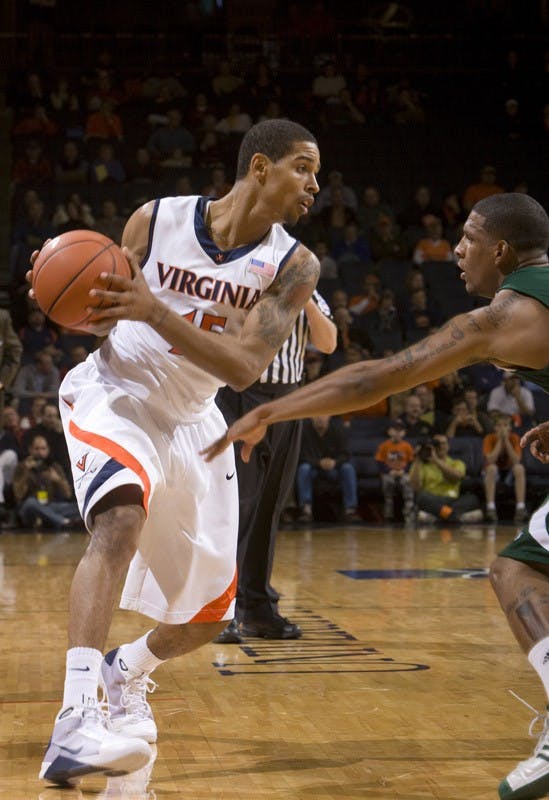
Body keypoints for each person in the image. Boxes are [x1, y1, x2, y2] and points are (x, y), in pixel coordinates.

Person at [201, 192, 549, 800]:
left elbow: (375, 378)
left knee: (518, 572)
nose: (456, 250)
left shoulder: (503, 317)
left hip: (269, 398)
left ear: (501, 251)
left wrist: (274, 411)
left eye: (467, 238)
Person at [30, 118, 322, 785]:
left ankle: (125, 670)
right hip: (118, 391)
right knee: (120, 519)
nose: (313, 184)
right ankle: (75, 721)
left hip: (195, 418)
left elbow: (246, 368)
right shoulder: (154, 219)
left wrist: (157, 311)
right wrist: (55, 285)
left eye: (315, 173)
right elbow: (99, 302)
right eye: (301, 167)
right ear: (258, 167)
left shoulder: (293, 266)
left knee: (208, 618)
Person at [215, 292, 336, 644]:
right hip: (239, 394)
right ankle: (219, 609)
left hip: (287, 399)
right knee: (236, 507)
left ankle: (256, 608)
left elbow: (327, 344)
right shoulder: (238, 275)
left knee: (270, 506)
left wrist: (306, 301)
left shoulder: (305, 278)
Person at [295, 414, 360, 523]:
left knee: (348, 468)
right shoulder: (304, 432)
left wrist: (335, 462)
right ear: (312, 417)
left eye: (324, 415)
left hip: (334, 469)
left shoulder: (338, 430)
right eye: (317, 415)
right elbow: (300, 455)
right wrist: (318, 463)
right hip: (313, 468)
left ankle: (350, 510)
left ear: (329, 417)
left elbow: (346, 454)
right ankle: (306, 510)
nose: (320, 418)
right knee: (303, 468)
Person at [409, 433, 484, 524]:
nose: (441, 446)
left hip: (452, 499)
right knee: (421, 497)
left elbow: (456, 478)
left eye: (443, 443)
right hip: (432, 499)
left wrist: (436, 460)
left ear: (448, 446)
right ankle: (455, 517)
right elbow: (415, 487)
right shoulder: (421, 464)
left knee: (472, 499)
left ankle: (440, 517)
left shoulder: (456, 463)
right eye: (437, 444)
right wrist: (418, 458)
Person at [13, 434, 78, 530]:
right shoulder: (22, 467)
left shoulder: (54, 467)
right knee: (31, 503)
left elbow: (67, 495)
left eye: (43, 449)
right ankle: (64, 522)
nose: (40, 452)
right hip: (30, 509)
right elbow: (18, 495)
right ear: (30, 449)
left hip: (49, 506)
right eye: (37, 449)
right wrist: (26, 472)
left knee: (77, 507)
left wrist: (57, 480)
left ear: (48, 450)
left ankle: (50, 519)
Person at [482, 413, 527, 522]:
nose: (502, 428)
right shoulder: (489, 438)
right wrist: (499, 441)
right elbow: (490, 460)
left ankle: (520, 508)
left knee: (519, 468)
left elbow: (516, 460)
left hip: (508, 473)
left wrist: (506, 440)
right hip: (492, 473)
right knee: (492, 467)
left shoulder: (514, 438)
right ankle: (490, 508)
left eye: (505, 425)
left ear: (510, 428)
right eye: (499, 425)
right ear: (494, 428)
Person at [374, 418, 415, 523]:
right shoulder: (384, 445)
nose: (397, 432)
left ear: (404, 432)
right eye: (395, 429)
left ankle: (408, 511)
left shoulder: (407, 446)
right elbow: (379, 462)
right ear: (389, 431)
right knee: (387, 482)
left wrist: (404, 471)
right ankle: (388, 513)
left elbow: (411, 462)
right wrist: (388, 471)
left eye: (400, 430)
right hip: (389, 473)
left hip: (403, 472)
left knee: (407, 482)